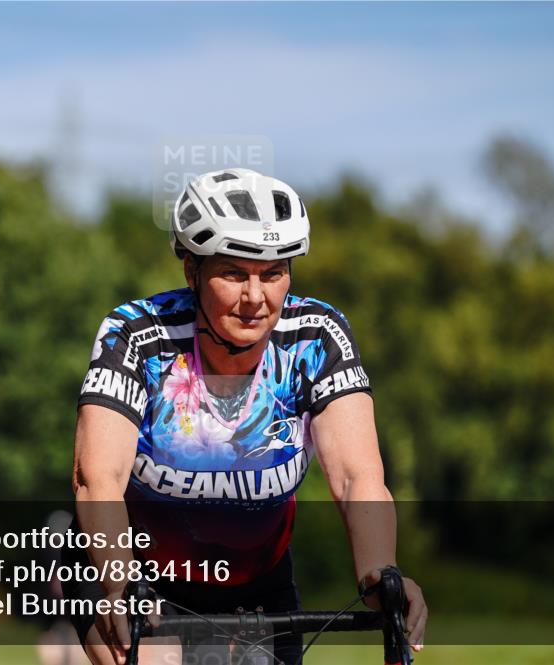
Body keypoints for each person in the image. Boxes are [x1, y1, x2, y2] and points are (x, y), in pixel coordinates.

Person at [67, 169, 427, 665]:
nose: (256, 298)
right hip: (133, 573)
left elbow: (356, 475)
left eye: (273, 273)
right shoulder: (137, 336)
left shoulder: (315, 339)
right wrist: (118, 584)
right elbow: (97, 478)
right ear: (191, 271)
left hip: (258, 582)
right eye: (234, 273)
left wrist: (379, 574)